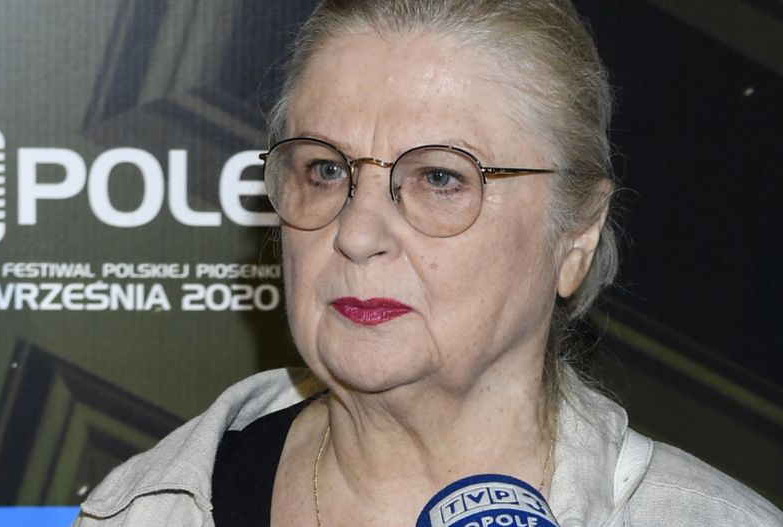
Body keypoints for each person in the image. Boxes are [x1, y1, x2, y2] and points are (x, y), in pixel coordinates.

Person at [73, 1, 782, 525]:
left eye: (440, 177)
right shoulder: (143, 511)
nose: (356, 233)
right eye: (325, 169)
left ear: (576, 233)